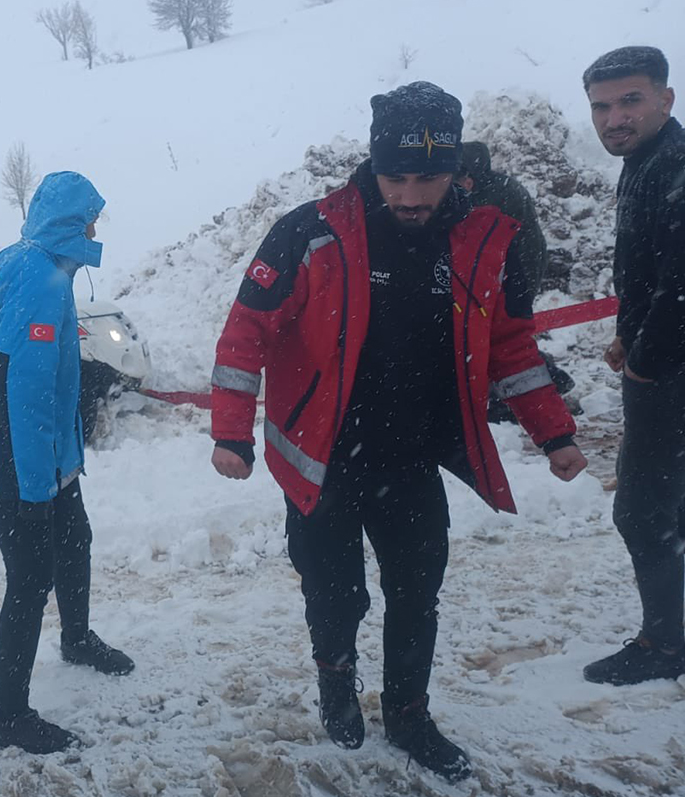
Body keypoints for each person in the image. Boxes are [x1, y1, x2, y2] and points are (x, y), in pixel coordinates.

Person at [209, 82, 586, 783]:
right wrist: (230, 433)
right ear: (371, 166)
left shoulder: (480, 240)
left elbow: (511, 345)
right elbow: (245, 331)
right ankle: (335, 676)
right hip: (320, 458)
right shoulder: (309, 233)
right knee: (336, 591)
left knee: (417, 591)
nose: (411, 196)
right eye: (396, 177)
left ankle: (410, 713)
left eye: (429, 178)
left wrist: (553, 433)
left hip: (411, 456)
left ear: (457, 171)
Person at [0, 170, 134, 755]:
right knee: (30, 580)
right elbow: (20, 384)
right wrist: (30, 487)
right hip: (18, 461)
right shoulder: (44, 279)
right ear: (71, 223)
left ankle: (77, 639)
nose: (95, 228)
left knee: (75, 540)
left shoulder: (17, 259)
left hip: (42, 453)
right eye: (91, 218)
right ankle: (8, 716)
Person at [580, 46, 685, 686]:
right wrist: (628, 333)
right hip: (660, 360)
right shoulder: (647, 161)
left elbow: (680, 288)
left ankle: (664, 645)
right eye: (601, 106)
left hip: (671, 375)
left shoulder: (676, 168)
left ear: (665, 99)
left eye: (630, 100)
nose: (614, 117)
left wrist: (644, 361)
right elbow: (647, 271)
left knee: (643, 510)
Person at [455, 142, 574, 423]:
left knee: (501, 336)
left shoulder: (495, 193)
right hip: (515, 268)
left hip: (513, 273)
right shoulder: (495, 186)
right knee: (499, 336)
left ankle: (537, 388)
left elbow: (476, 237)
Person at [456, 141, 549, 294]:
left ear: (467, 182)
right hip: (519, 265)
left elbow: (526, 251)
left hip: (516, 273)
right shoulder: (490, 187)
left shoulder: (499, 198)